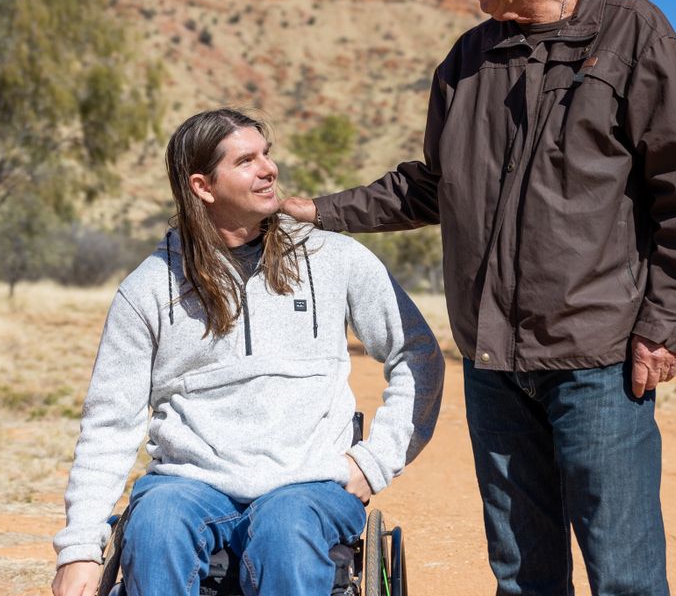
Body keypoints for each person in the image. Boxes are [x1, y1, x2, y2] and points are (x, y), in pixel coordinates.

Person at [282, 0, 676, 595]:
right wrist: (315, 210)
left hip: (598, 360)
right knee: (522, 577)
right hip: (493, 366)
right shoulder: (466, 63)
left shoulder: (632, 33)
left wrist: (663, 326)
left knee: (626, 577)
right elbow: (432, 186)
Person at [51, 108, 444, 596]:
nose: (269, 169)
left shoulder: (333, 258)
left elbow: (417, 353)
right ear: (203, 187)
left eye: (266, 154)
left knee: (286, 531)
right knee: (155, 527)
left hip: (307, 484)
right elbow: (109, 424)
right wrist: (80, 550)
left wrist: (375, 461)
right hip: (188, 484)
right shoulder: (148, 289)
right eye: (246, 161)